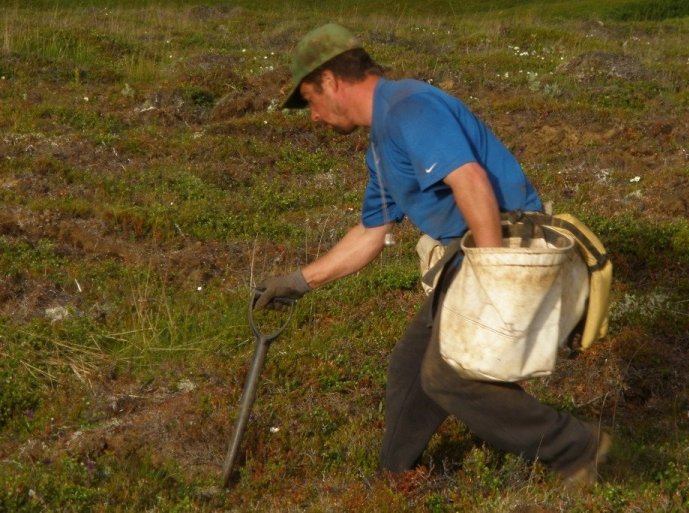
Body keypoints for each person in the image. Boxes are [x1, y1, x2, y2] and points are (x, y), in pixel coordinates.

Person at [255, 23, 610, 486]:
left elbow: (471, 184)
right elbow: (371, 230)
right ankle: (395, 477)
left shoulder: (409, 107)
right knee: (409, 366)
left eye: (309, 100)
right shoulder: (382, 141)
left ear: (331, 81)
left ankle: (579, 448)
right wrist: (299, 282)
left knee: (451, 376)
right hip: (468, 258)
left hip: (502, 249)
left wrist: (494, 277)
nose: (313, 116)